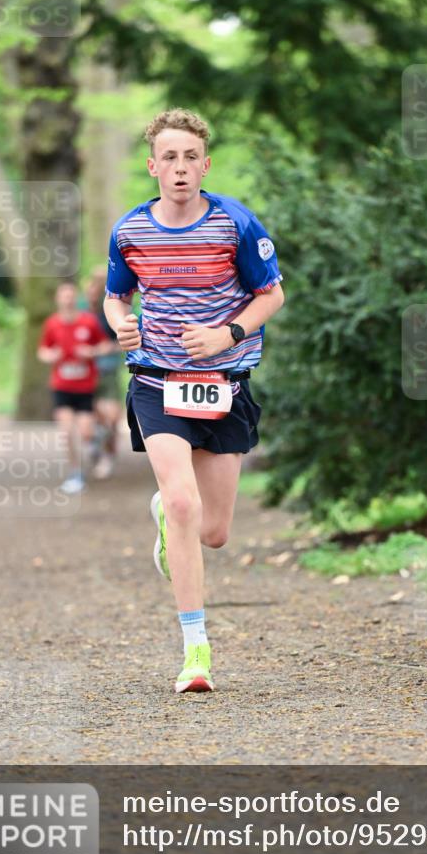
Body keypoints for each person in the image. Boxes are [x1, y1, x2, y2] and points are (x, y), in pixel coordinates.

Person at [103, 107, 284, 694]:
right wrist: (120, 323)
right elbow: (115, 297)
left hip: (225, 385)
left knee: (213, 531)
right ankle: (195, 651)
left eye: (190, 158)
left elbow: (271, 295)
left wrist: (226, 335)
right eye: (169, 158)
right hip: (157, 381)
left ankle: (166, 514)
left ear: (204, 165)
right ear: (152, 165)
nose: (179, 168)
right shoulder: (130, 230)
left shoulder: (234, 223)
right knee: (183, 503)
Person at [37, 281, 108, 494]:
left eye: (70, 296)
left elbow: (105, 344)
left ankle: (96, 439)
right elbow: (42, 350)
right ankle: (75, 474)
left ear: (76, 298)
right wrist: (50, 356)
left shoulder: (88, 322)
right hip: (61, 386)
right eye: (63, 296)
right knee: (67, 432)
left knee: (85, 433)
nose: (67, 300)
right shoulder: (52, 324)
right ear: (57, 299)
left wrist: (92, 352)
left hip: (85, 386)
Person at [84, 269, 124, 480]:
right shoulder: (81, 312)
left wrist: (108, 348)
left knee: (111, 417)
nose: (92, 294)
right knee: (91, 416)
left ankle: (108, 452)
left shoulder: (112, 312)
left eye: (96, 290)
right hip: (83, 373)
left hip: (107, 371)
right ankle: (96, 443)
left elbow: (124, 340)